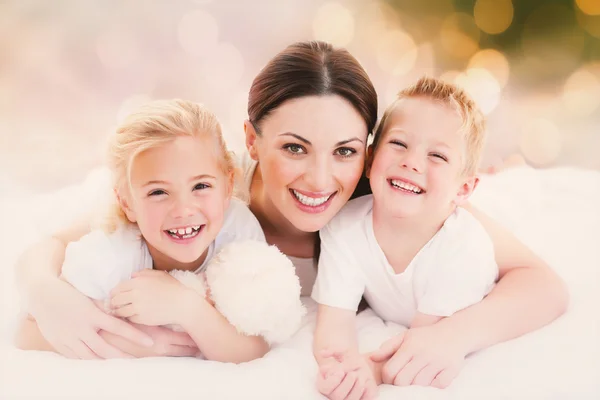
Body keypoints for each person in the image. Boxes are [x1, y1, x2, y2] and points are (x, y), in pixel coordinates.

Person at [14, 41, 567, 388]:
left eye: (346, 151)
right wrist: (47, 293)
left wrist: (452, 337)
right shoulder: (206, 197)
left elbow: (539, 281)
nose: (321, 180)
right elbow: (58, 242)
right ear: (252, 141)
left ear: (370, 153)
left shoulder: (377, 205)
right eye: (294, 148)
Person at [16, 99, 270, 363]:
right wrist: (132, 341)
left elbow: (255, 347)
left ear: (228, 187)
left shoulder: (238, 232)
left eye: (201, 186)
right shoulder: (108, 253)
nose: (183, 210)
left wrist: (186, 307)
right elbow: (27, 333)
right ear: (126, 203)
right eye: (158, 192)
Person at [313, 77, 501, 398]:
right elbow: (334, 324)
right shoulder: (343, 226)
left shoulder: (464, 248)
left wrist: (371, 369)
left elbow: (421, 346)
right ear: (370, 159)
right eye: (399, 144)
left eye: (437, 156)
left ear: (463, 189)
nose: (411, 162)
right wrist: (341, 369)